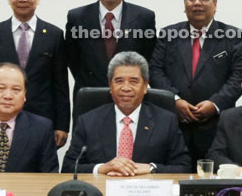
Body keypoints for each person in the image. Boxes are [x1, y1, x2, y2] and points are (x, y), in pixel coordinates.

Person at [149, 0, 242, 163]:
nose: (197, 3)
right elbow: (154, 71)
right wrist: (175, 100)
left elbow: (239, 76)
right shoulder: (167, 35)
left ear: (215, 3)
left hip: (216, 126)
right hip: (174, 124)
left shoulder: (232, 36)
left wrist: (215, 104)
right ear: (184, 3)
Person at [62, 51, 191, 175]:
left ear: (145, 86)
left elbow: (184, 167)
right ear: (110, 86)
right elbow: (68, 167)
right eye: (119, 81)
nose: (126, 88)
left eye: (134, 81)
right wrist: (102, 168)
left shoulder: (166, 121)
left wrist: (150, 168)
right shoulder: (88, 121)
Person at [0, 0, 70, 148]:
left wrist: (62, 125)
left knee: (41, 170)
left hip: (43, 118)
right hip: (2, 117)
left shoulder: (54, 35)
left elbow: (61, 85)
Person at [65, 0, 156, 100]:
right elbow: (72, 61)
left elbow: (147, 60)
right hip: (89, 100)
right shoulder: (77, 17)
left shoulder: (144, 18)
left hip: (129, 100)